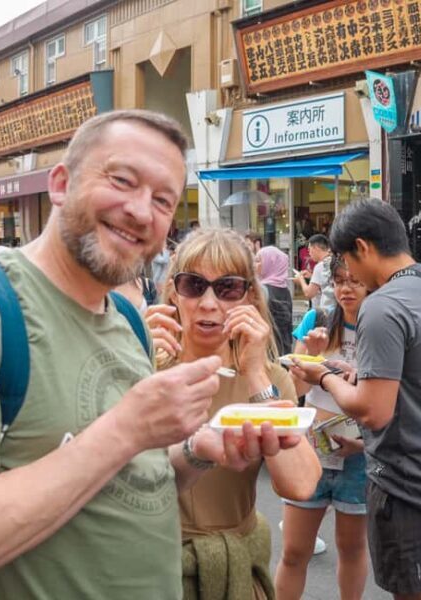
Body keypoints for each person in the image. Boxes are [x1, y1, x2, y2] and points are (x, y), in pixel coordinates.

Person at [0, 110, 280, 600]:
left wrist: (195, 451)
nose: (142, 212)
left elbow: (129, 483)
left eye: (163, 200)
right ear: (61, 184)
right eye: (122, 180)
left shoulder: (129, 322)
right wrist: (129, 427)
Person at [290, 199, 421, 600]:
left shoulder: (383, 305)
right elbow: (416, 375)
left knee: (412, 590)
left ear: (362, 247)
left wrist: (323, 376)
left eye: (349, 262)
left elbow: (372, 411)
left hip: (404, 479)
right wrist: (357, 376)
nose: (351, 275)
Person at [148, 227, 321, 600]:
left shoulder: (267, 379)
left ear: (249, 296)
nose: (209, 303)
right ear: (174, 292)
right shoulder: (146, 365)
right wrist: (134, 363)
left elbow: (301, 484)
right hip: (153, 570)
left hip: (237, 574)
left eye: (227, 288)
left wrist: (256, 375)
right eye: (194, 285)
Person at [276, 255, 369, 600]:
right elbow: (294, 392)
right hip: (311, 451)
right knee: (293, 551)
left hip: (358, 456)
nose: (346, 289)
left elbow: (386, 399)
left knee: (352, 548)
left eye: (356, 281)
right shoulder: (317, 320)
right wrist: (312, 355)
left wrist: (365, 444)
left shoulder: (382, 328)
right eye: (340, 281)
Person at [254, 246, 293, 356]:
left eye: (258, 261)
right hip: (283, 349)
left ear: (269, 264)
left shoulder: (261, 291)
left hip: (266, 351)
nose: (254, 265)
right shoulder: (285, 290)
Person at [292, 234, 335, 312]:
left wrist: (301, 279)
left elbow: (309, 293)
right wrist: (312, 276)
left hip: (325, 310)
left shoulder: (320, 266)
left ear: (316, 248)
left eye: (309, 249)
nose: (309, 253)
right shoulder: (334, 261)